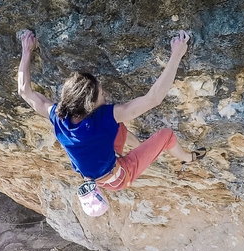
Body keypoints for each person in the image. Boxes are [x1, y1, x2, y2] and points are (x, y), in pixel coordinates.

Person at [18, 29, 206, 191]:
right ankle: (188, 158)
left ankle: (141, 147)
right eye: (101, 94)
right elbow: (153, 98)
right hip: (119, 176)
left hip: (96, 171)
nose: (105, 94)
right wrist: (176, 55)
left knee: (119, 127)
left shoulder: (59, 115)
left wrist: (27, 51)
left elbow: (24, 91)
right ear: (90, 107)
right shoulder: (103, 119)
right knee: (166, 135)